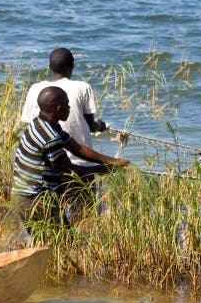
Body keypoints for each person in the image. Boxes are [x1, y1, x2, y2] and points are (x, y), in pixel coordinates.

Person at [11, 86, 129, 230]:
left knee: (47, 245)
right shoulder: (50, 137)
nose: (69, 108)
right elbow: (70, 171)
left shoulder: (42, 124)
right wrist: (103, 169)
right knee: (66, 243)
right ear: (59, 108)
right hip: (35, 199)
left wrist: (113, 161)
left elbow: (78, 149)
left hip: (22, 195)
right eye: (67, 104)